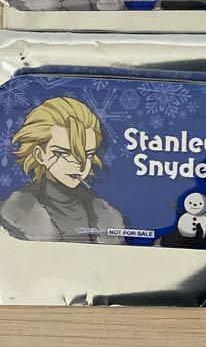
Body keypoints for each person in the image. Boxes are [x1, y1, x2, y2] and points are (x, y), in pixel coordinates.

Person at [0, 96, 125, 243]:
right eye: (63, 153)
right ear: (40, 155)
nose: (79, 164)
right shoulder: (12, 215)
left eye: (88, 154)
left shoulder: (108, 218)